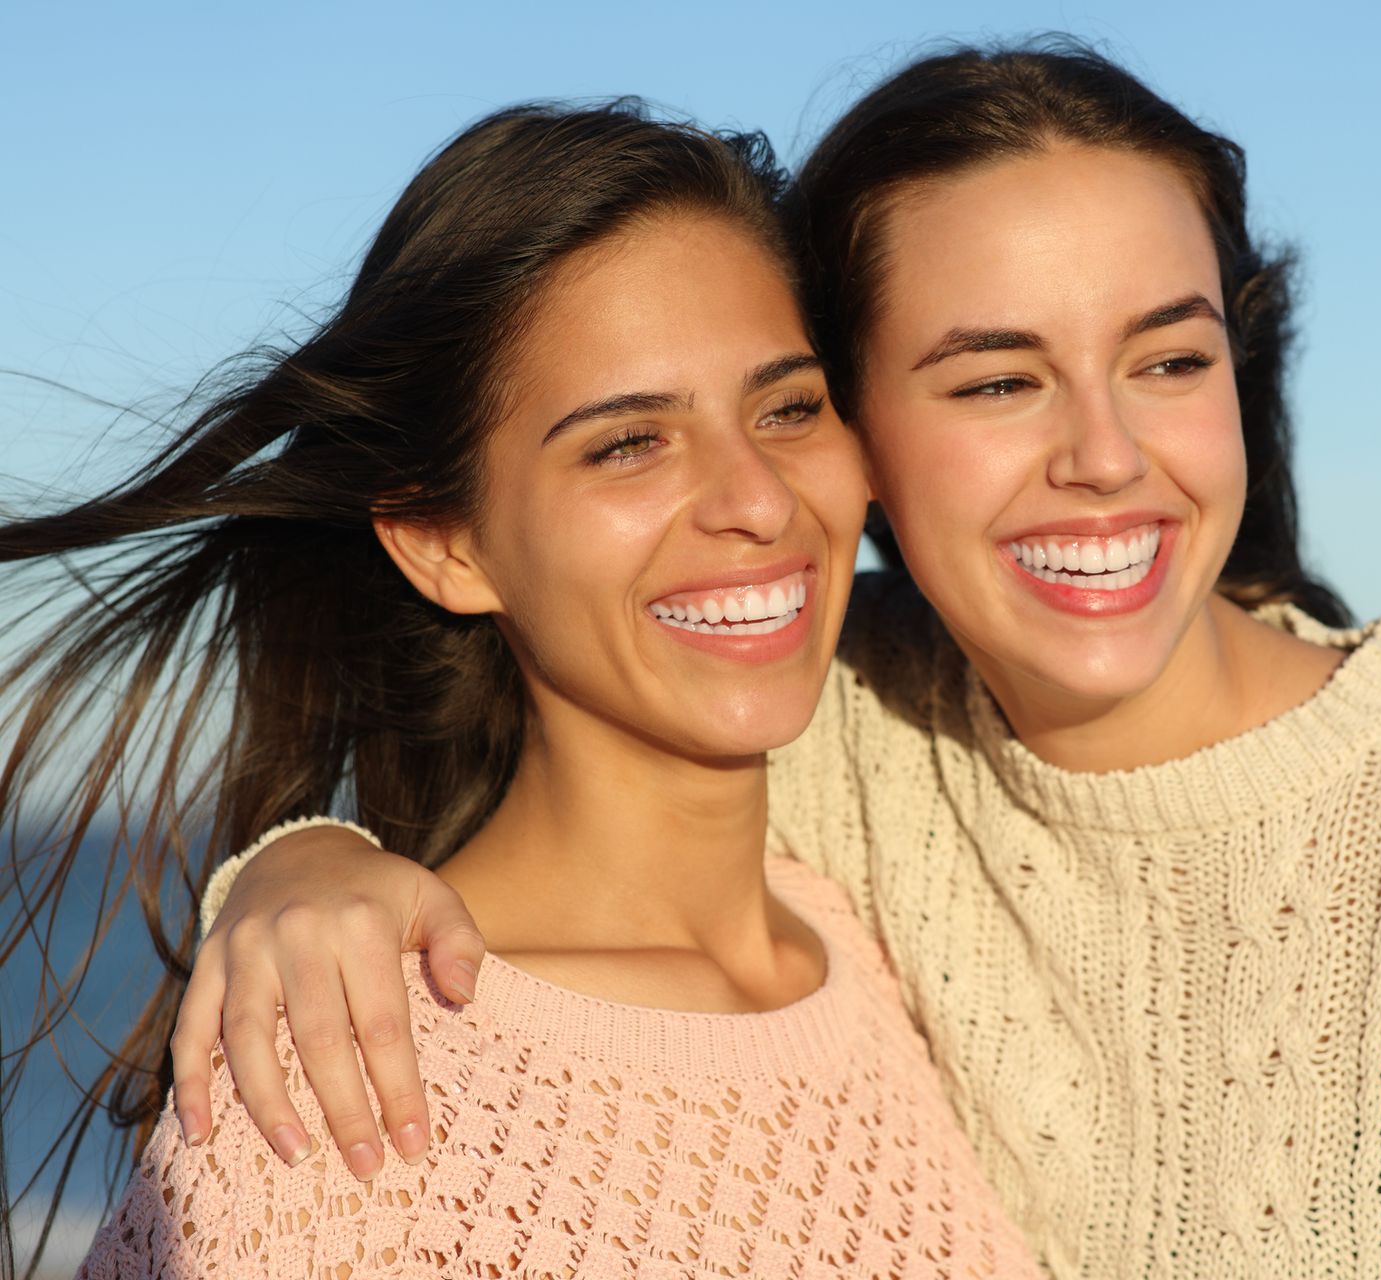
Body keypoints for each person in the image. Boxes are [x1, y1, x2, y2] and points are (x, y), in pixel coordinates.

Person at [173, 43, 1381, 1279]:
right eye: (994, 381)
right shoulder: (837, 734)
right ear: (872, 439)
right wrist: (308, 864)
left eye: (1168, 360)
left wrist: (308, 859)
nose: (1106, 459)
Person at [0, 101, 1041, 1279]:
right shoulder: (343, 1087)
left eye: (789, 408)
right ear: (447, 542)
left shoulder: (887, 948)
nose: (758, 500)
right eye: (627, 443)